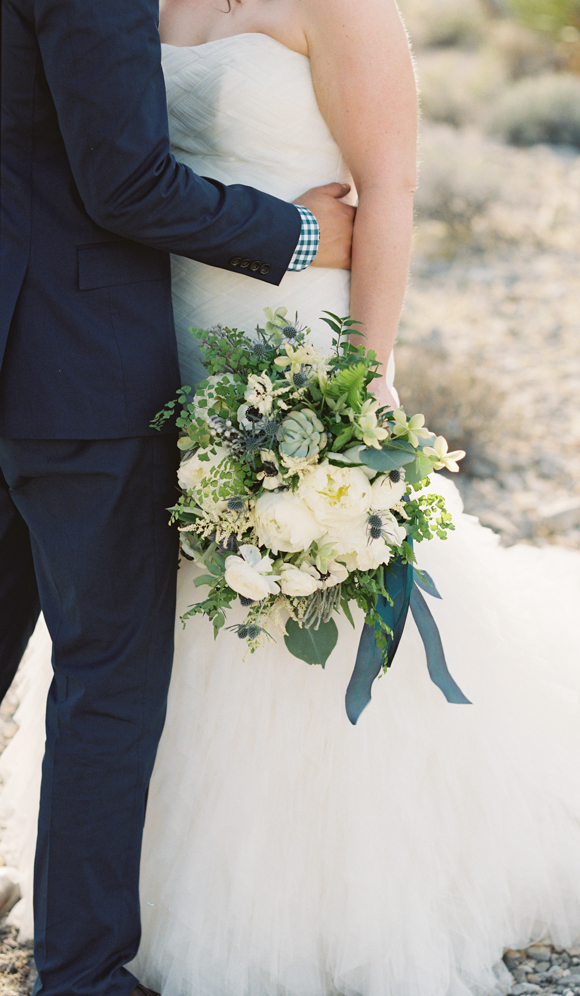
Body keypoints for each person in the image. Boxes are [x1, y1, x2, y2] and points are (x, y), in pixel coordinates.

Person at [2, 0, 580, 994]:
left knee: (283, 612)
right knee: (152, 630)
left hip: (280, 333)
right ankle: (137, 906)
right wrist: (299, 234)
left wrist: (369, 375)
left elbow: (389, 187)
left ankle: (321, 886)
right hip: (152, 339)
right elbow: (116, 169)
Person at [0, 0, 355, 991]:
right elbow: (125, 184)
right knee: (106, 679)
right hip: (77, 365)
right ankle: (81, 976)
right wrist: (294, 234)